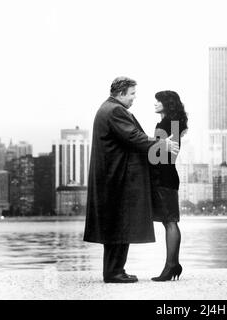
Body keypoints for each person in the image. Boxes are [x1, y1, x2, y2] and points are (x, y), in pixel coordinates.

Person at [83, 77, 179, 284]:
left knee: (116, 225)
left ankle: (115, 270)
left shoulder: (108, 108)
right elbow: (134, 137)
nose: (135, 98)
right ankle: (114, 272)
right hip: (116, 177)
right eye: (132, 93)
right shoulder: (115, 111)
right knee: (118, 224)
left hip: (112, 176)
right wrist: (163, 144)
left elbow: (131, 137)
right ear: (121, 93)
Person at [149, 90, 188, 281]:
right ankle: (172, 264)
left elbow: (163, 154)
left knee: (170, 221)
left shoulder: (169, 124)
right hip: (166, 176)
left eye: (159, 101)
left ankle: (171, 266)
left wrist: (154, 146)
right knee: (169, 221)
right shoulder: (170, 123)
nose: (155, 103)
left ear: (168, 103)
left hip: (164, 177)